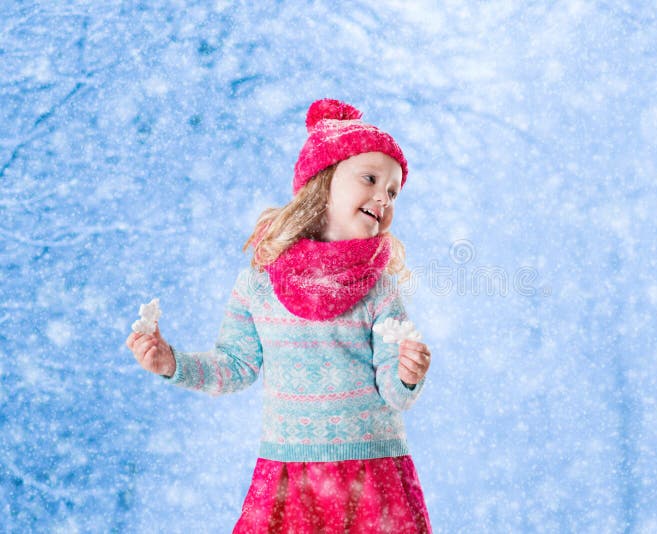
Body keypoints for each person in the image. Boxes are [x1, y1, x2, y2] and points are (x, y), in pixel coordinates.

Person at [126, 98, 433, 533]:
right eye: (370, 179)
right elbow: (235, 365)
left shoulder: (379, 289)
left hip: (373, 473)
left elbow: (394, 391)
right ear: (322, 181)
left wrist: (406, 373)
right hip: (290, 475)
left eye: (393, 192)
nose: (383, 197)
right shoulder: (258, 282)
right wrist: (171, 364)